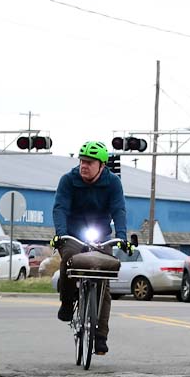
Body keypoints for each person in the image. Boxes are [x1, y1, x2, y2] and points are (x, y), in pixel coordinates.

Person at [52, 140, 131, 355]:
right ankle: (67, 303)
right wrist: (60, 233)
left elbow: (119, 210)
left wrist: (122, 237)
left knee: (103, 282)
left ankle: (100, 336)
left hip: (101, 236)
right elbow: (60, 208)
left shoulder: (113, 183)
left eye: (89, 162)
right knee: (69, 260)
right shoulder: (68, 180)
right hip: (72, 234)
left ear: (101, 165)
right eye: (81, 161)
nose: (83, 165)